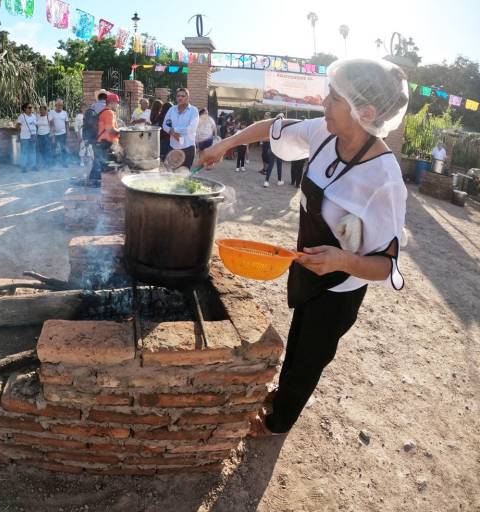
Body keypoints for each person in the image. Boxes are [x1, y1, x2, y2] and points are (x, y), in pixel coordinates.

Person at [198, 58, 409, 437]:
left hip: (340, 285)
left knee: (311, 355)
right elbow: (271, 128)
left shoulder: (384, 179)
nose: (323, 103)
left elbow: (385, 266)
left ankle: (277, 424)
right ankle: (282, 396)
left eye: (333, 99)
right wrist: (225, 144)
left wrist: (341, 259)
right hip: (308, 265)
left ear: (366, 112)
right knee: (297, 339)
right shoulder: (325, 134)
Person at [87, 93, 121, 184]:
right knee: (99, 163)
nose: (118, 105)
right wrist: (120, 132)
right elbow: (109, 129)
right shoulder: (109, 112)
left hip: (102, 142)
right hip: (104, 142)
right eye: (117, 103)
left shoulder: (107, 112)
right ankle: (93, 182)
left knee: (99, 163)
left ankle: (93, 181)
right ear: (112, 103)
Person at [162, 88, 199, 169]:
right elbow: (165, 125)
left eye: (183, 96)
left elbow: (192, 128)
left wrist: (174, 130)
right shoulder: (172, 109)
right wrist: (174, 134)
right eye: (178, 96)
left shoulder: (193, 110)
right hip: (173, 147)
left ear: (188, 97)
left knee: (183, 175)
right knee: (171, 173)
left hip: (187, 148)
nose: (180, 98)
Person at [16, 102, 38, 173]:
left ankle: (33, 166)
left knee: (33, 152)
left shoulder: (34, 116)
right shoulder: (22, 116)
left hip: (33, 136)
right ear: (25, 109)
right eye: (29, 107)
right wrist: (19, 134)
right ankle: (24, 167)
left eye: (31, 107)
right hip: (24, 137)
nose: (31, 109)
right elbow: (17, 126)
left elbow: (36, 125)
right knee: (24, 152)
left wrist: (35, 134)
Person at [49, 99, 70, 167]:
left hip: (63, 134)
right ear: (55, 105)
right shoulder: (51, 112)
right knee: (53, 149)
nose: (60, 106)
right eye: (58, 105)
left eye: (61, 105)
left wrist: (68, 131)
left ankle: (64, 162)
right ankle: (53, 163)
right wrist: (53, 135)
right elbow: (51, 124)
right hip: (54, 134)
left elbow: (67, 123)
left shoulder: (65, 113)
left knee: (63, 148)